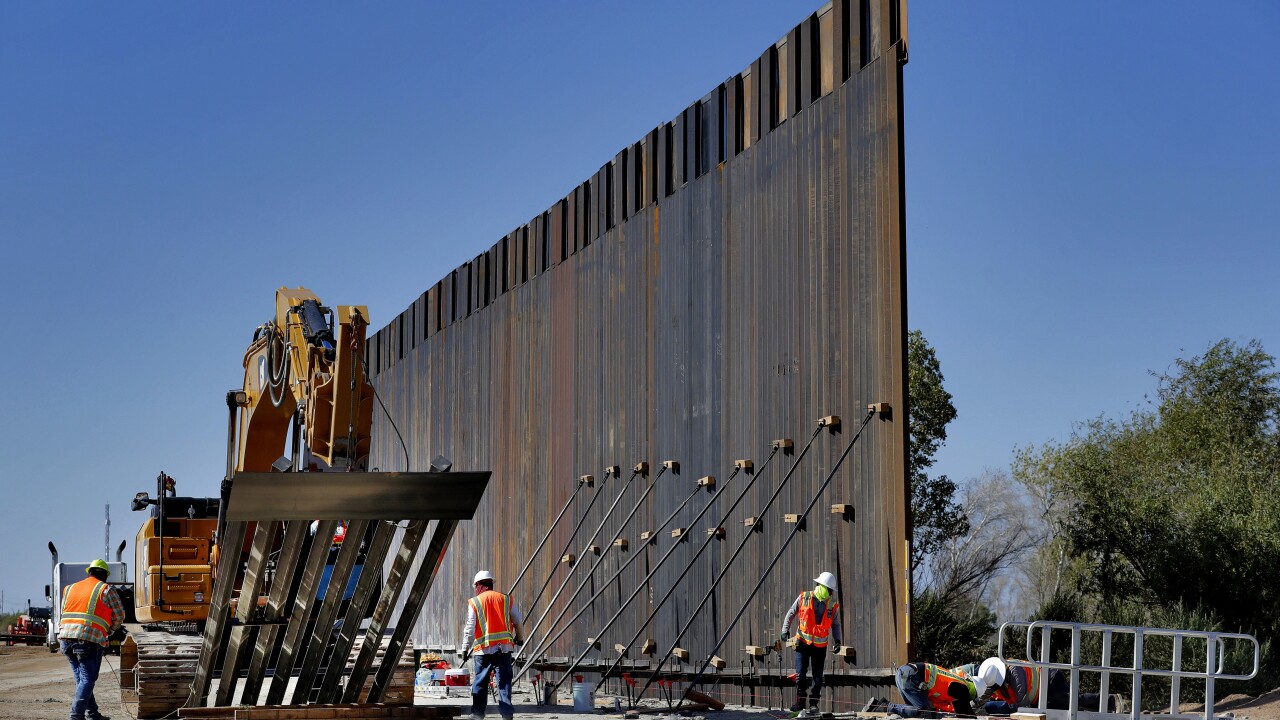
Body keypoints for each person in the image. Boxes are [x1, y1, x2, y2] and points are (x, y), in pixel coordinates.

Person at [58, 559, 125, 720]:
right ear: (103, 574)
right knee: (87, 679)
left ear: (89, 572)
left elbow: (64, 612)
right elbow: (120, 615)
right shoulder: (105, 589)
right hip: (87, 640)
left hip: (65, 639)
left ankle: (93, 714)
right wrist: (110, 630)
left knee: (82, 680)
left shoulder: (69, 588)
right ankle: (76, 715)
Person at [460, 570, 525, 720]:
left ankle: (477, 714)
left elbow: (470, 627)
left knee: (481, 683)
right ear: (491, 583)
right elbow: (518, 621)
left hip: (482, 651)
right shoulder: (506, 599)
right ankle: (507, 715)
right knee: (504, 684)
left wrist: (465, 647)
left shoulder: (475, 602)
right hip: (504, 649)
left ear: (478, 585)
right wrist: (519, 638)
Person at [780, 571, 843, 713]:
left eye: (831, 591)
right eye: (829, 590)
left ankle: (814, 704)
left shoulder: (832, 605)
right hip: (802, 643)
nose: (830, 593)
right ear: (821, 586)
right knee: (800, 676)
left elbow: (836, 624)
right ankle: (800, 703)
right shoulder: (804, 597)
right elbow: (792, 612)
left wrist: (838, 640)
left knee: (818, 679)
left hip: (820, 647)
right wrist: (785, 630)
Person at [863, 662, 992, 718]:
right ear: (973, 691)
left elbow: (943, 706)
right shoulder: (961, 688)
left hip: (906, 673)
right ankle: (884, 707)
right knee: (922, 711)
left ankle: (877, 705)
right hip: (912, 677)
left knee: (915, 712)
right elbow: (964, 714)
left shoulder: (956, 682)